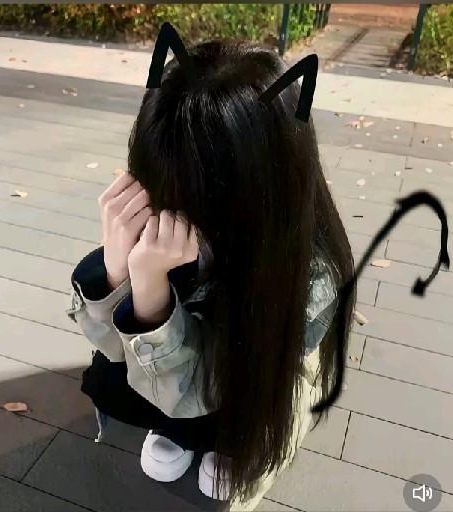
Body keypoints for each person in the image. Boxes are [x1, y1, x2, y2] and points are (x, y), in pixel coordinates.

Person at [66, 25, 356, 509]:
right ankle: (180, 431)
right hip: (183, 367)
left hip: (255, 380)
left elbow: (219, 383)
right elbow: (117, 354)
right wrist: (117, 272)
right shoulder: (167, 206)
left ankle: (233, 444)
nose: (175, 212)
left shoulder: (310, 279)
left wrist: (150, 291)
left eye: (199, 198)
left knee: (230, 406)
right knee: (120, 379)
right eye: (161, 186)